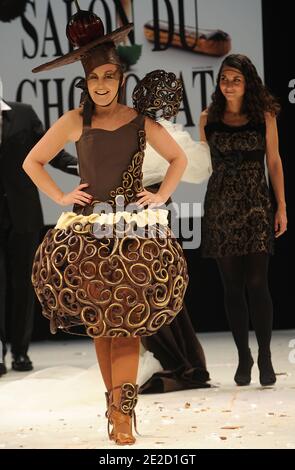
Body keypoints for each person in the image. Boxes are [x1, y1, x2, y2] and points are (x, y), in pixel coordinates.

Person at [22, 4, 189, 445]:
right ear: (85, 81)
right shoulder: (75, 121)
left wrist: (160, 195)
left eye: (109, 77)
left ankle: (122, 416)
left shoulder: (139, 123)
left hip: (134, 236)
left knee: (128, 324)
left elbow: (179, 158)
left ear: (121, 79)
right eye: (94, 78)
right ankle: (113, 405)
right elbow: (33, 161)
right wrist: (60, 196)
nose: (102, 85)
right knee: (102, 324)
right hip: (89, 236)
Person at [199, 54, 287, 387]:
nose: (229, 85)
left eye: (236, 79)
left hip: (255, 203)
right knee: (231, 286)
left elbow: (275, 162)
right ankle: (243, 357)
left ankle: (264, 355)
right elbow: (204, 162)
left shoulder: (263, 116)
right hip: (221, 205)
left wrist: (281, 206)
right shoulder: (208, 117)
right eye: (224, 79)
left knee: (256, 283)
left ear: (247, 82)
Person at [0, 93, 78, 376]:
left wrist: (82, 168)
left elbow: (51, 151)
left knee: (23, 283)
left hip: (23, 213)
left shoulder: (22, 113)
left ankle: (21, 351)